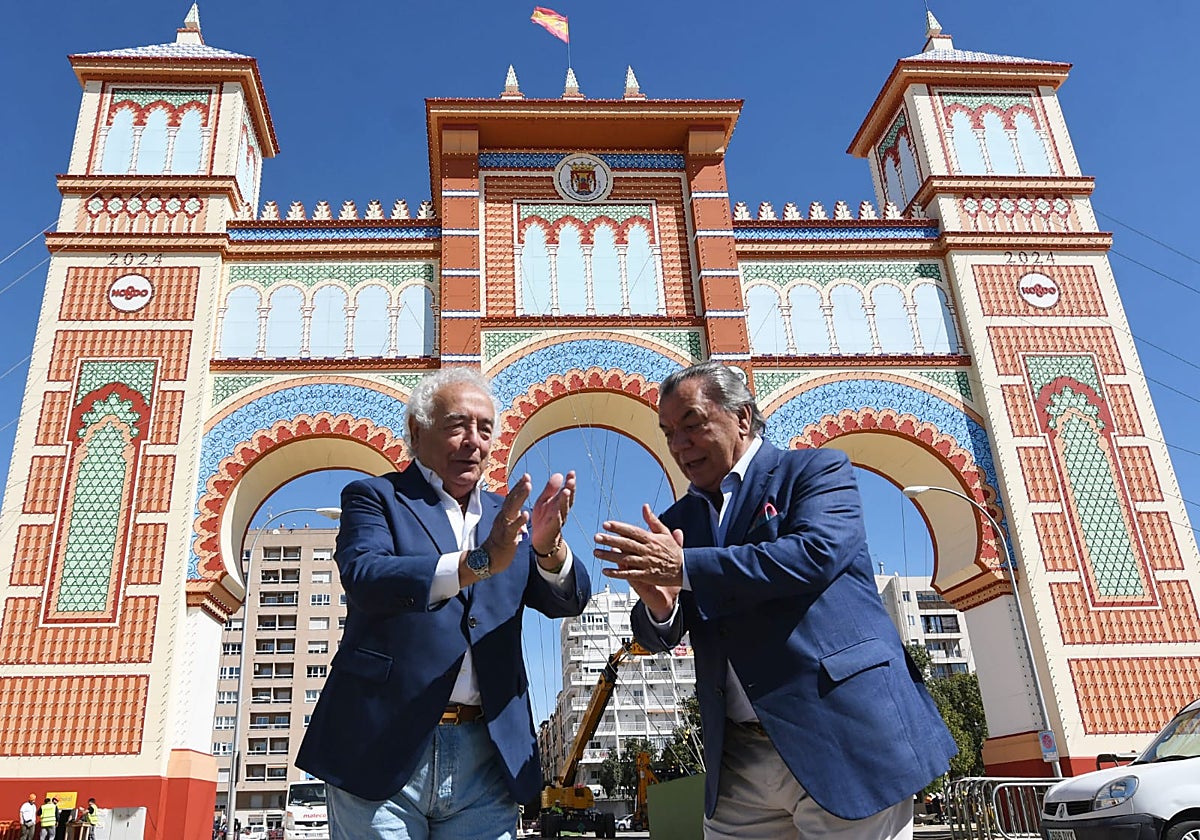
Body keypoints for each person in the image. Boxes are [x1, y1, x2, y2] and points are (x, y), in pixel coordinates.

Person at [596, 361, 957, 840]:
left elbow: (813, 555)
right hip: (739, 763)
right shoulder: (678, 520)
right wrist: (661, 606)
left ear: (742, 418)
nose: (679, 446)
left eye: (692, 425)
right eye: (668, 433)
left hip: (842, 738)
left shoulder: (815, 471)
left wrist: (685, 570)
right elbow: (659, 630)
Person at [297, 367, 591, 840]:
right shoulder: (377, 497)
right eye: (457, 424)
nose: (474, 440)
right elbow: (365, 576)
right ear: (417, 431)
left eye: (485, 428)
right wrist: (476, 562)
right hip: (383, 743)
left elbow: (568, 600)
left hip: (488, 755)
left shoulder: (508, 516)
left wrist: (548, 548)